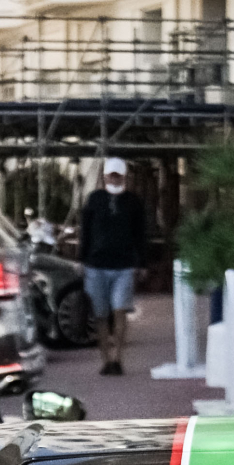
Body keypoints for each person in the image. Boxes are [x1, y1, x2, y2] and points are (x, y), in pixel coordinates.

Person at [77, 157, 148, 376]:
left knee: (119, 311)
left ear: (123, 176)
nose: (114, 178)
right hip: (96, 265)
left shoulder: (133, 202)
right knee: (100, 314)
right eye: (111, 174)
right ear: (105, 176)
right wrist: (82, 260)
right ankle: (106, 360)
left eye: (118, 174)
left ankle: (117, 358)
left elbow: (140, 234)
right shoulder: (94, 199)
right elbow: (85, 231)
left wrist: (142, 263)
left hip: (124, 265)